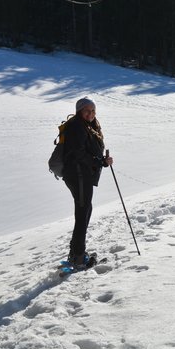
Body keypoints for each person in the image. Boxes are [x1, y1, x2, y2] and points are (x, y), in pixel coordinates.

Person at [62, 97, 113, 267]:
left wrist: (102, 161)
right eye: (87, 111)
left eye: (93, 111)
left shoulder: (88, 126)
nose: (91, 114)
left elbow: (89, 151)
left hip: (82, 175)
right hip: (78, 175)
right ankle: (78, 256)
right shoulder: (77, 127)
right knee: (83, 212)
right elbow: (79, 153)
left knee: (85, 210)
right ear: (79, 111)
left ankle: (75, 252)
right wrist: (99, 162)